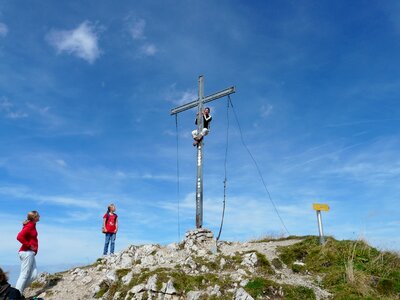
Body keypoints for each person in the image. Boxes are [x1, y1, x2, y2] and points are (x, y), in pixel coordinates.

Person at [15, 211, 40, 295]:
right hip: (26, 252)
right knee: (24, 275)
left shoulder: (32, 225)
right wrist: (29, 245)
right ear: (34, 218)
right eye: (38, 216)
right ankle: (17, 295)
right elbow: (19, 237)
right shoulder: (29, 226)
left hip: (30, 253)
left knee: (34, 275)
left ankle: (17, 292)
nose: (39, 217)